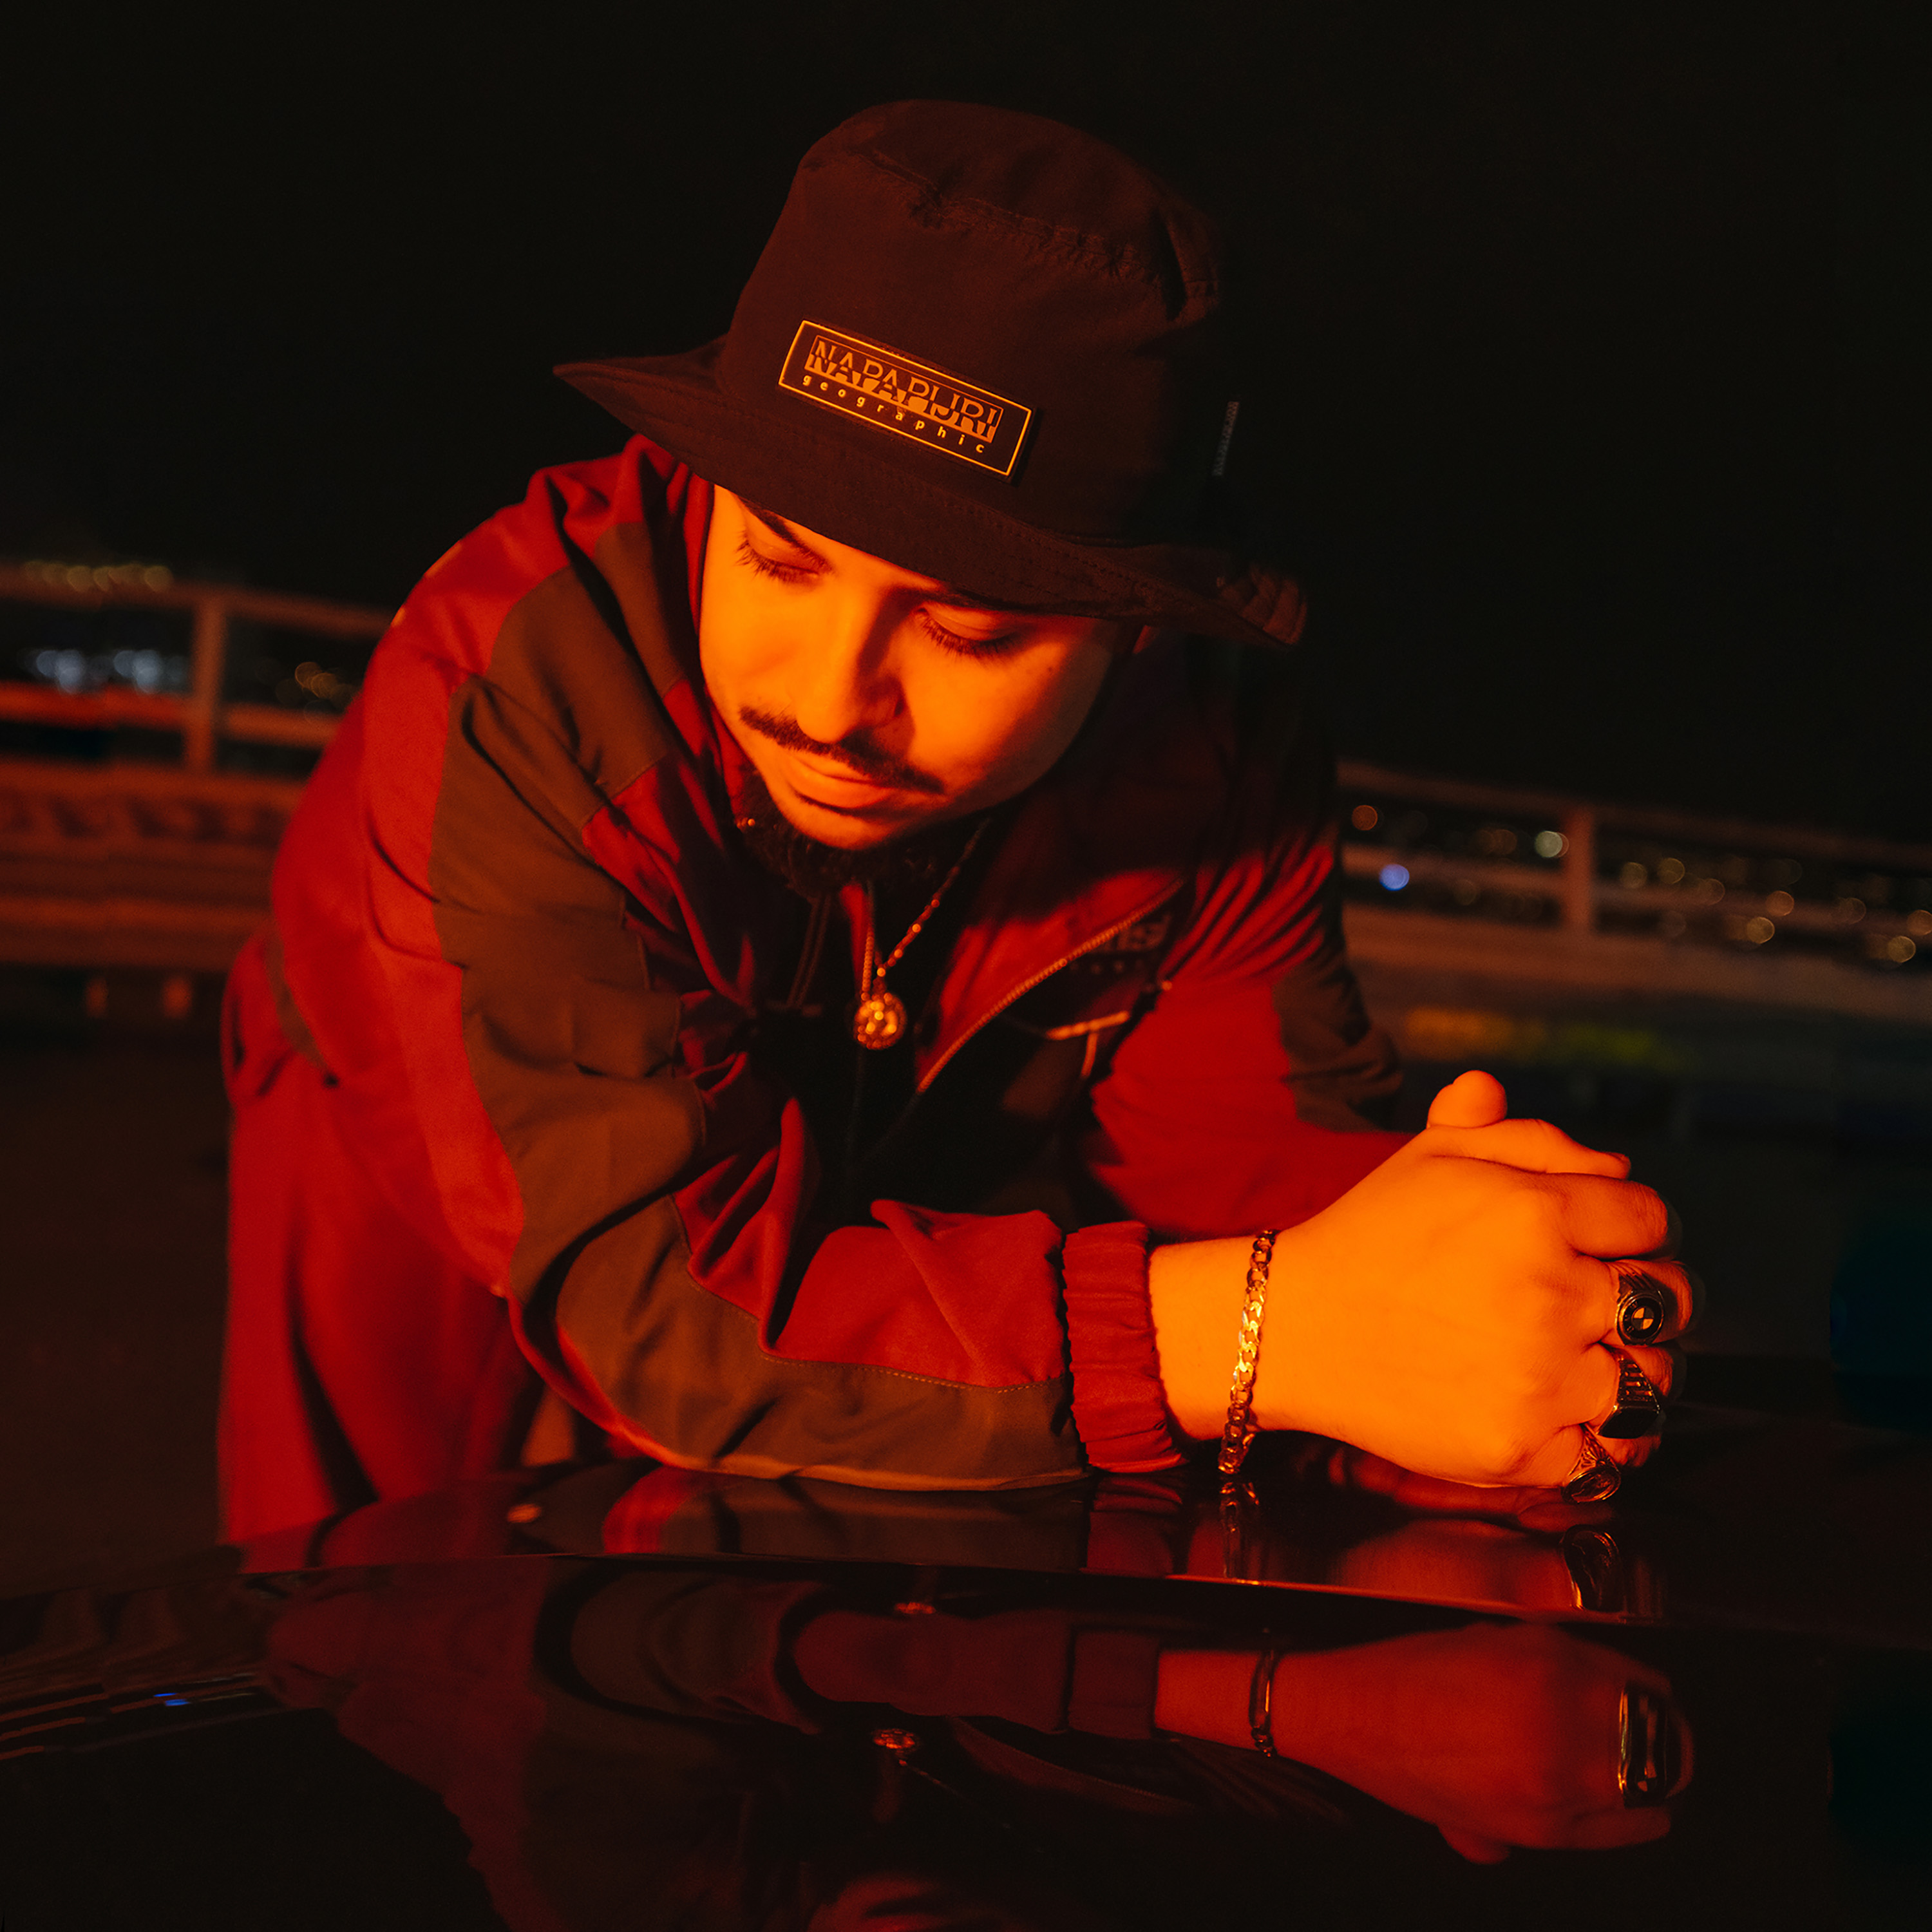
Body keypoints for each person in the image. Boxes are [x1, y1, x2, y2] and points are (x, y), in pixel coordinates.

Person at [219, 100, 1693, 1542]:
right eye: (781, 561)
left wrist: (1505, 1310)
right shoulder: (523, 680)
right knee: (374, 1629)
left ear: (1135, 630)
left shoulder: (1215, 751)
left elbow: (1276, 1200)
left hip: (875, 1320)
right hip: (439, 1249)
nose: (832, 701)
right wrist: (1270, 1327)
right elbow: (653, 1305)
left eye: (968, 630)